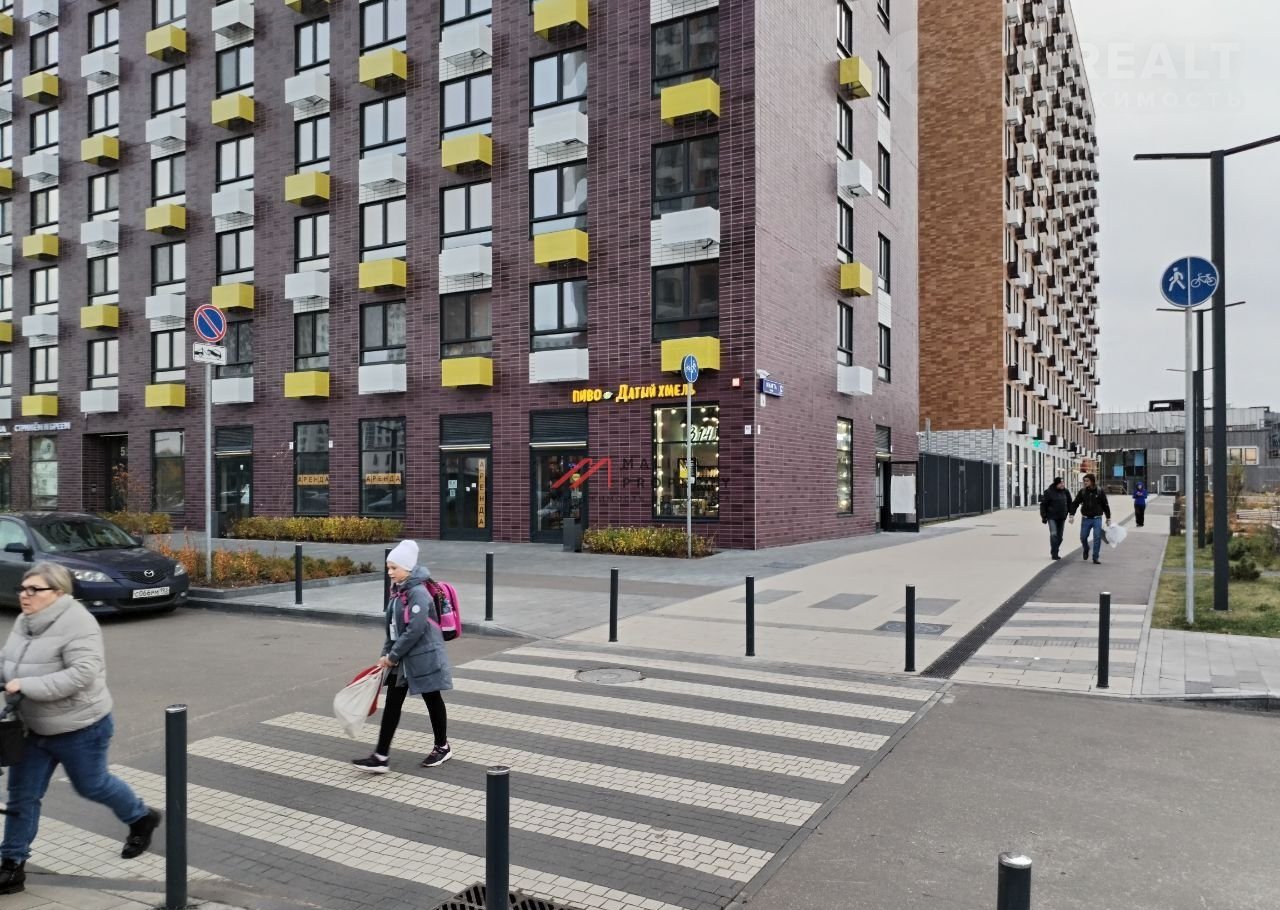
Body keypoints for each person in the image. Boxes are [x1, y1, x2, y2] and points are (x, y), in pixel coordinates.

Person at [0, 563, 162, 895]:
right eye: (23, 589)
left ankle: (141, 817)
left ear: (58, 593)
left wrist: (26, 685)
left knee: (92, 786)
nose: (25, 595)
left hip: (80, 727)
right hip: (31, 727)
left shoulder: (79, 623)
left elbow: (82, 674)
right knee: (22, 797)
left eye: (34, 590)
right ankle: (11, 865)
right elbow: (10, 661)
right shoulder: (25, 620)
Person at [352, 540, 454, 773]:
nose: (389, 572)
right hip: (403, 659)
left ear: (407, 568)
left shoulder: (418, 593)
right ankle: (381, 756)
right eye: (388, 567)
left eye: (393, 567)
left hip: (424, 657)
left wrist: (393, 655)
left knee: (432, 698)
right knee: (393, 703)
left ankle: (442, 746)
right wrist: (385, 655)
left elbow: (415, 630)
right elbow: (393, 628)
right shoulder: (399, 592)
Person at [1068, 473, 1112, 564]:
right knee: (1083, 537)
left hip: (1097, 519)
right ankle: (1086, 548)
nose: (1085, 482)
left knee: (1097, 537)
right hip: (1086, 519)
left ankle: (1095, 557)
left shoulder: (1099, 491)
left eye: (1087, 481)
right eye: (1084, 481)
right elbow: (1075, 503)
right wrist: (1071, 515)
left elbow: (1105, 505)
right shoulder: (1082, 492)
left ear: (1092, 481)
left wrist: (1108, 518)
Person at [1039, 477, 1073, 560]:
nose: (1062, 484)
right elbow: (1043, 505)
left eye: (1063, 483)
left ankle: (1054, 549)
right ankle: (1055, 553)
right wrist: (1044, 516)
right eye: (1060, 483)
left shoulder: (1066, 491)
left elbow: (1070, 503)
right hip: (1052, 517)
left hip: (1062, 517)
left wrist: (1071, 514)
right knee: (1054, 534)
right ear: (1056, 484)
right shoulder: (1049, 492)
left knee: (1060, 537)